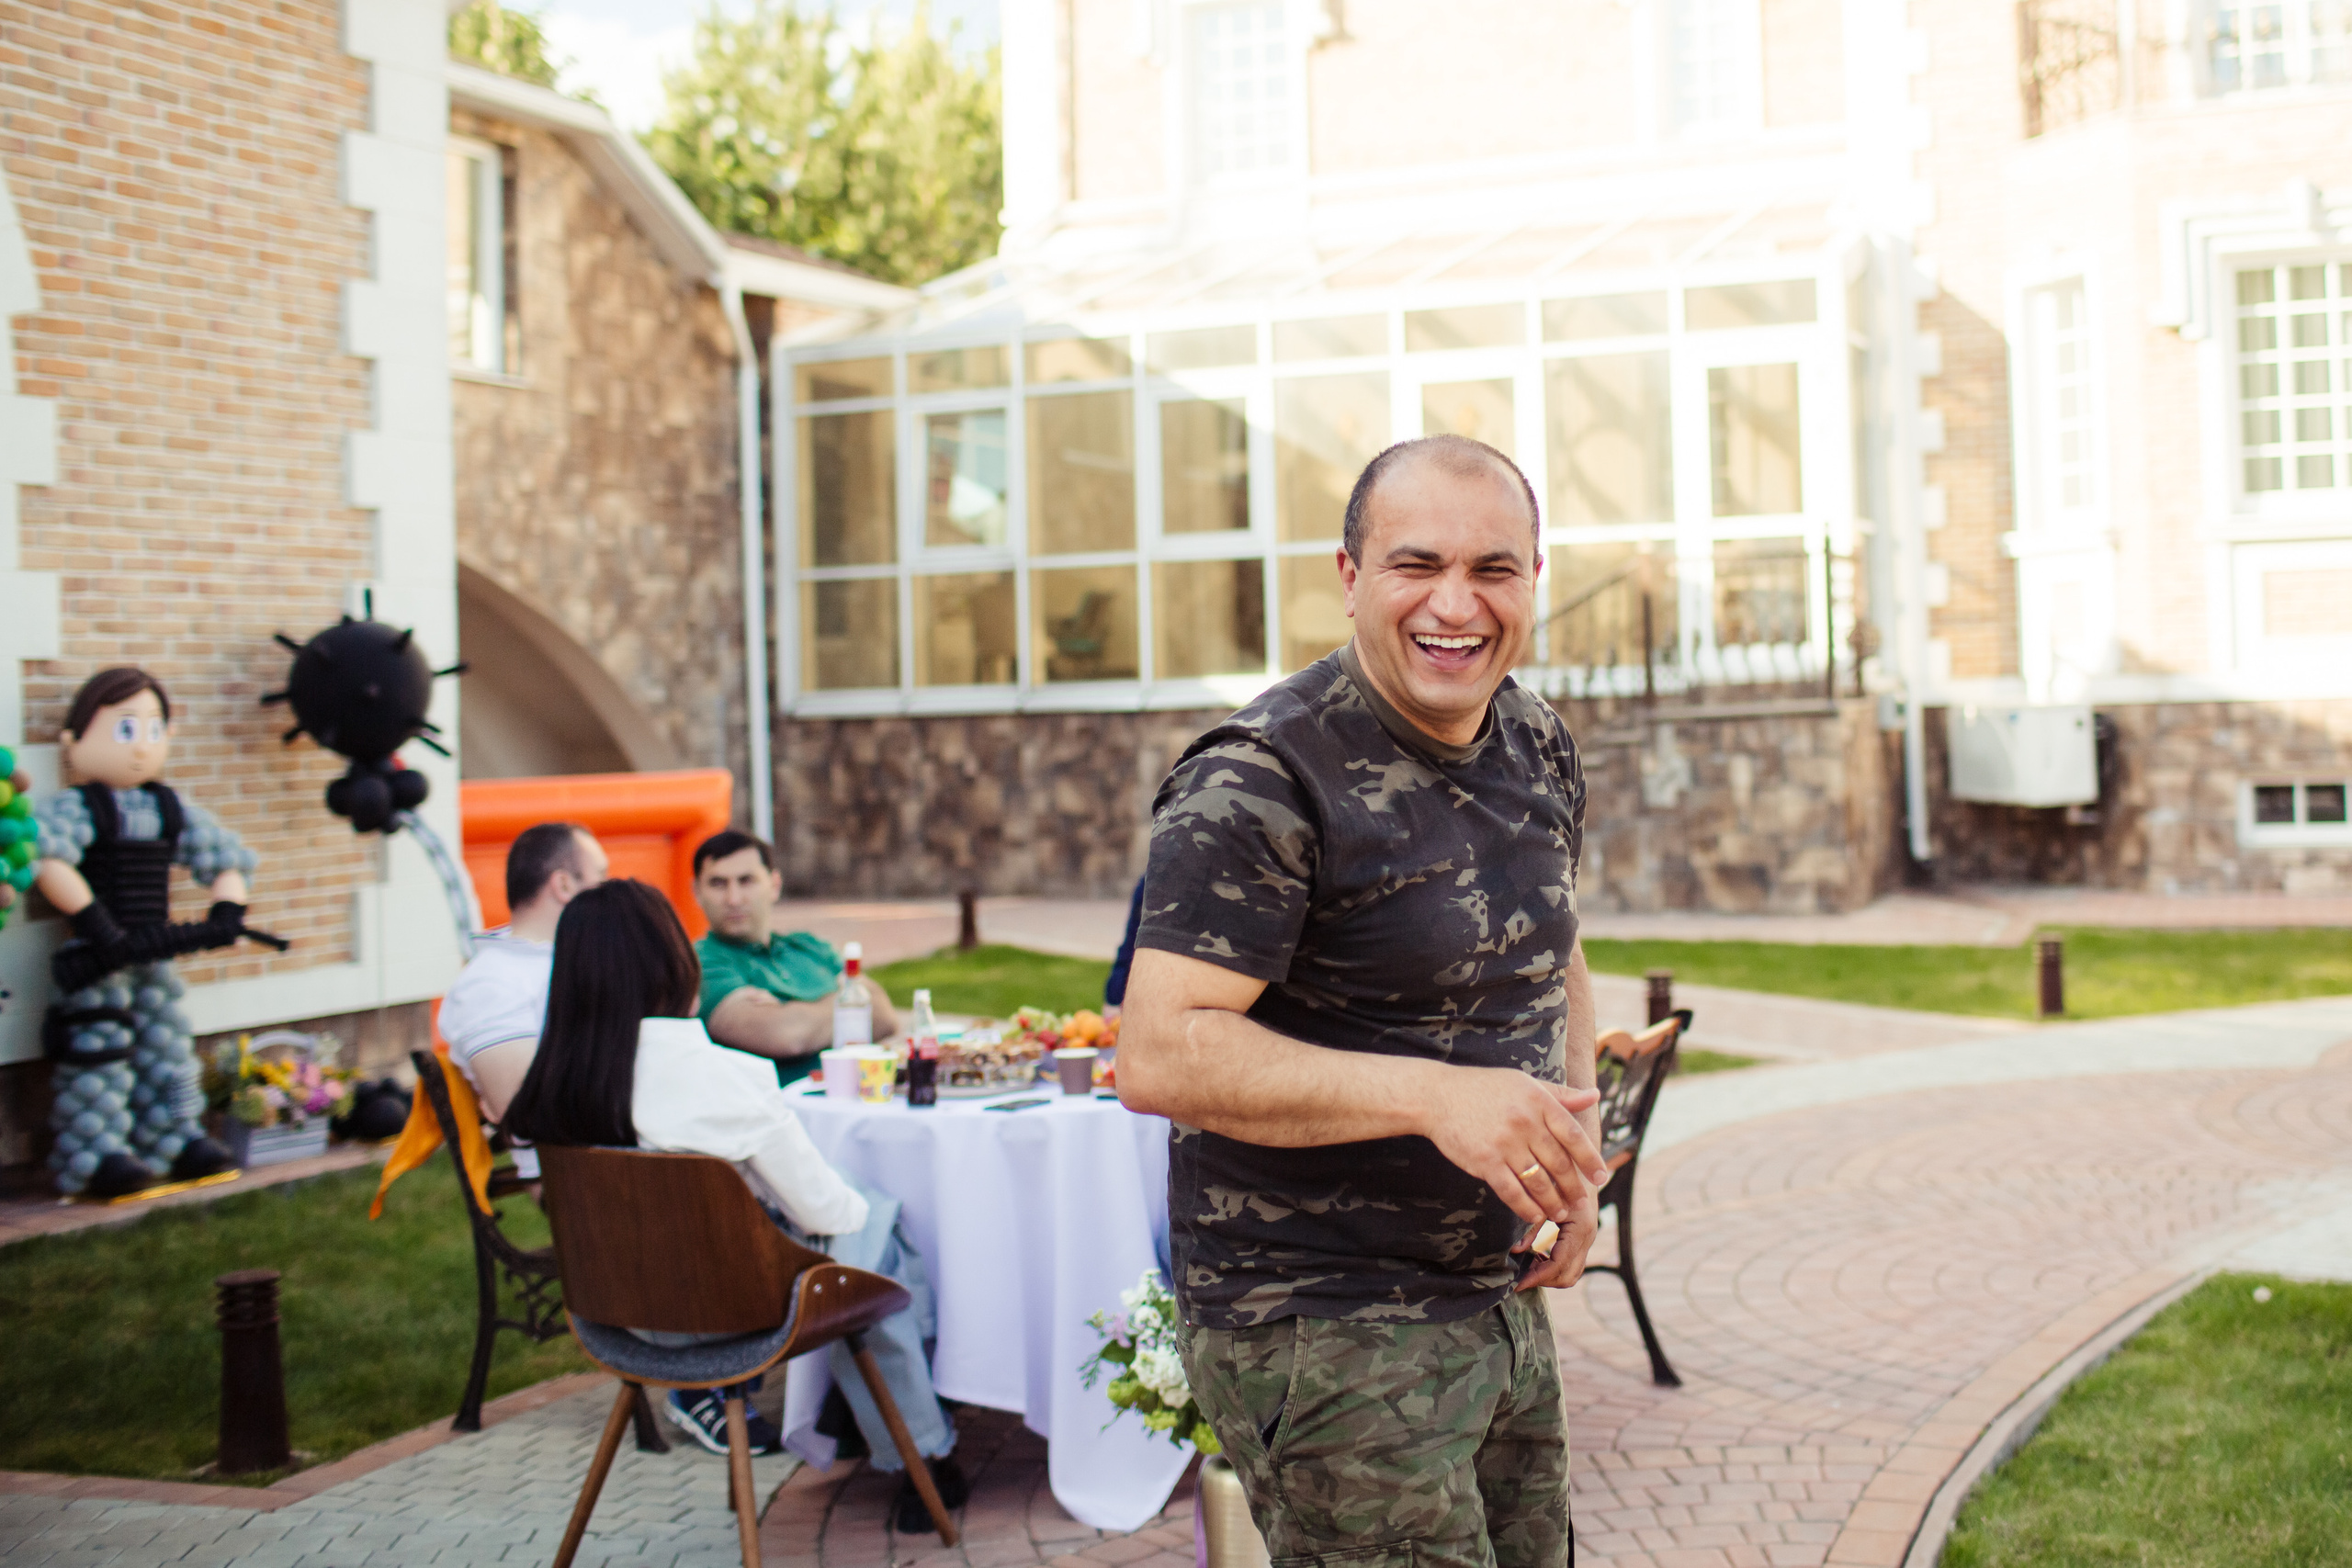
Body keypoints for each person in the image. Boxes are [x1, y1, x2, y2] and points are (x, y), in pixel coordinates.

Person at [1117, 435, 1611, 1568]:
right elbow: (1159, 1055)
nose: (1456, 604)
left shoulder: (1534, 738)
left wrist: (1577, 1155)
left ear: (1535, 578)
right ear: (1347, 577)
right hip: (1319, 1314)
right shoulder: (1257, 778)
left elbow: (1556, 941)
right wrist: (1438, 1100)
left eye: (1494, 568)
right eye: (1415, 564)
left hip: (1490, 1291)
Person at [503, 879, 966, 1524]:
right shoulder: (721, 1077)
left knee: (865, 1224)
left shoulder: (555, 1088)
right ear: (674, 962)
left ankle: (877, 1411)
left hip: (619, 1316)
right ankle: (924, 1448)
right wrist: (861, 1213)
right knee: (875, 1222)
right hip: (737, 1314)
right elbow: (828, 1214)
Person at [34, 668, 268, 1196]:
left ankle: (177, 1136)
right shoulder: (81, 808)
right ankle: (97, 1155)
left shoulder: (168, 809)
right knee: (99, 1050)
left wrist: (226, 910)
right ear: (74, 742)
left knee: (168, 1049)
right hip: (99, 959)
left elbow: (224, 856)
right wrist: (98, 925)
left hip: (154, 956)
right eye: (124, 730)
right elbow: (48, 860)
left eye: (152, 730)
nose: (140, 747)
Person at [691, 829, 898, 1085]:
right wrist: (846, 1002)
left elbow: (885, 1015)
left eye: (746, 881)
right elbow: (786, 1036)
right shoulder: (698, 964)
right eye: (718, 884)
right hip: (775, 1114)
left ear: (774, 885)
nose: (734, 899)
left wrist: (785, 1010)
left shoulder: (811, 948)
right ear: (697, 892)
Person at [435, 821, 608, 1122]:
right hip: (584, 1162)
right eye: (601, 878)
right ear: (564, 885)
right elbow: (522, 1110)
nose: (611, 894)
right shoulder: (492, 983)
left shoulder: (570, 962)